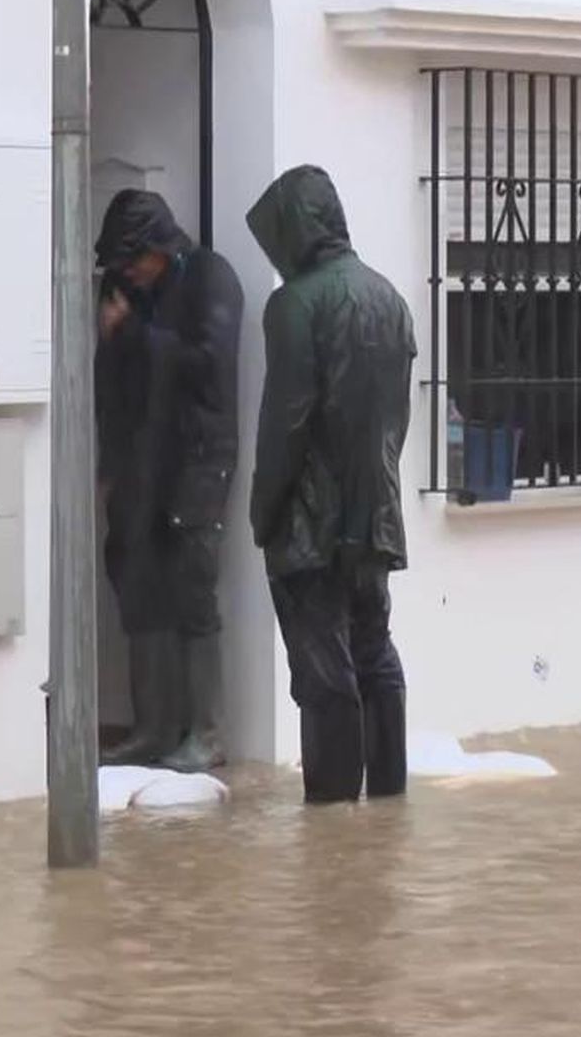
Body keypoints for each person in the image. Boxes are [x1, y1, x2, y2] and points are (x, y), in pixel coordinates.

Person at [246, 165, 416, 804]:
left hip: (309, 523)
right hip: (375, 514)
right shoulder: (390, 297)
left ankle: (334, 830)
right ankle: (388, 811)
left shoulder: (294, 304)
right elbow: (396, 419)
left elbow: (285, 424)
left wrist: (263, 511)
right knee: (374, 652)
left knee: (324, 675)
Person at [93, 189, 241, 772]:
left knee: (192, 587)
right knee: (136, 581)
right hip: (141, 462)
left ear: (160, 246)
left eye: (135, 259)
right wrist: (109, 466)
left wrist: (135, 333)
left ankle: (206, 732)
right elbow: (111, 383)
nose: (129, 272)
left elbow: (209, 365)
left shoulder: (210, 279)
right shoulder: (127, 290)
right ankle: (152, 730)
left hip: (197, 461)